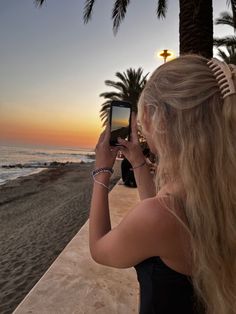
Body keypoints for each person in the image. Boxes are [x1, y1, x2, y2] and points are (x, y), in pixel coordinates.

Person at [89, 55, 236, 314]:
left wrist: (102, 172)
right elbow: (157, 217)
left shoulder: (162, 217)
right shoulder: (216, 192)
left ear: (158, 119)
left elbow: (100, 248)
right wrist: (137, 160)